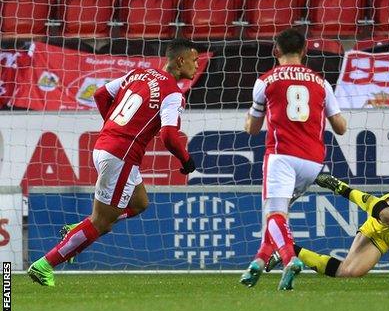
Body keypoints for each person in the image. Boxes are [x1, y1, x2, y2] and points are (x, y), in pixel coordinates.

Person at [27, 39, 200, 286]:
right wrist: (186, 160)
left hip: (104, 145)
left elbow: (100, 94)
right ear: (181, 60)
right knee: (101, 222)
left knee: (140, 203)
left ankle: (80, 227)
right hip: (121, 156)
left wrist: (113, 126)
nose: (196, 66)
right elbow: (169, 136)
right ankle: (44, 265)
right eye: (194, 60)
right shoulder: (173, 94)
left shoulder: (139, 73)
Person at [240, 28, 347, 290]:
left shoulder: (266, 81)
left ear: (276, 51)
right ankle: (258, 262)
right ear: (304, 51)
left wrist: (251, 117)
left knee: (274, 215)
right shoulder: (321, 82)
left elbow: (253, 129)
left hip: (281, 157)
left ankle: (289, 259)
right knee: (278, 218)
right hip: (313, 163)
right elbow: (341, 127)